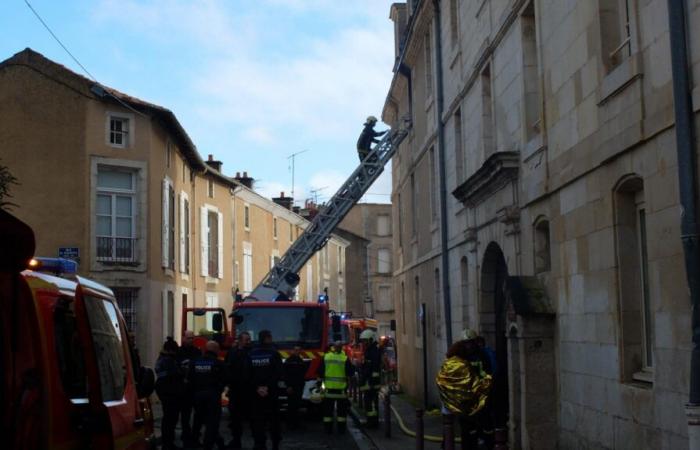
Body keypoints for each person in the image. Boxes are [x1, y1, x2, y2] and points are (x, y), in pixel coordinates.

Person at [436, 338, 492, 450]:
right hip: (463, 403)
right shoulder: (463, 365)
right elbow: (470, 383)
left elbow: (440, 380)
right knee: (468, 428)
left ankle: (446, 445)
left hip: (447, 401)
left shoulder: (447, 362)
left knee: (448, 427)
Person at [247, 330, 284, 450]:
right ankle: (275, 443)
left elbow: (247, 374)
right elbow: (279, 373)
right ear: (268, 338)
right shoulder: (274, 354)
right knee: (274, 419)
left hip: (255, 393)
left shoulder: (251, 354)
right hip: (271, 392)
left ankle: (259, 443)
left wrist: (258, 387)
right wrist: (267, 386)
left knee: (258, 419)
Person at [188, 340, 226, 450]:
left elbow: (190, 378)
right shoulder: (218, 363)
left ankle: (194, 442)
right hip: (212, 396)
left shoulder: (195, 362)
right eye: (218, 349)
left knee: (198, 419)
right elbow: (226, 378)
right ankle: (208, 445)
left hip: (198, 395)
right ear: (215, 350)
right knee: (212, 422)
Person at [155, 337, 185, 450]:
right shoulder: (167, 360)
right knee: (170, 419)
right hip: (169, 392)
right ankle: (167, 444)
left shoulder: (164, 359)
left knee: (170, 418)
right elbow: (168, 374)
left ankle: (168, 443)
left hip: (168, 391)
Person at [318, 340, 353, 434]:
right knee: (341, 413)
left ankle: (328, 430)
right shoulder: (344, 358)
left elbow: (320, 372)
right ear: (341, 348)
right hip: (341, 391)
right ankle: (341, 430)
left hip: (328, 391)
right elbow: (351, 372)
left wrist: (321, 385)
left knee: (327, 413)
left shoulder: (326, 357)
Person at [225, 331, 252, 449]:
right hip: (236, 389)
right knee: (235, 417)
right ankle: (236, 440)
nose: (249, 342)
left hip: (248, 389)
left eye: (249, 339)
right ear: (240, 341)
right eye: (247, 340)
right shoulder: (232, 353)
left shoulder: (251, 353)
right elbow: (227, 368)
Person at [177, 330, 201, 447]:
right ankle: (186, 436)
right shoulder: (178, 352)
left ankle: (195, 437)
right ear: (183, 338)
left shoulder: (197, 352)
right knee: (185, 415)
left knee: (198, 414)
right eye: (189, 338)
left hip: (195, 388)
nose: (191, 340)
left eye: (192, 338)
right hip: (183, 389)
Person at [359, 329, 381, 428]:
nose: (364, 343)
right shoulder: (370, 350)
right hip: (369, 382)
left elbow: (374, 368)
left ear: (371, 340)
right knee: (369, 403)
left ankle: (372, 423)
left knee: (371, 404)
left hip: (371, 383)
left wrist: (370, 382)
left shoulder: (374, 351)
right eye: (363, 341)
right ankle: (371, 421)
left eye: (365, 340)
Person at [283, 346, 306, 428]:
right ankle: (290, 423)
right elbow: (286, 375)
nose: (297, 351)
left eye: (299, 350)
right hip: (291, 386)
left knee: (297, 405)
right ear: (292, 351)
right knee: (291, 405)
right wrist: (288, 386)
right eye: (296, 350)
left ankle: (296, 423)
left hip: (299, 386)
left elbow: (302, 374)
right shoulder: (289, 361)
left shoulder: (300, 361)